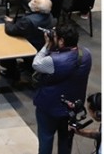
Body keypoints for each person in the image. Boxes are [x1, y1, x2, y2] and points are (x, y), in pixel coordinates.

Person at [32, 22, 93, 154]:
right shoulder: (86, 54)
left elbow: (36, 64)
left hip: (49, 107)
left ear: (61, 41)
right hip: (72, 106)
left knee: (46, 138)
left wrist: (47, 45)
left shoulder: (53, 61)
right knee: (66, 139)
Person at [0, 0, 54, 80]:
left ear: (37, 9)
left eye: (34, 1)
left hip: (31, 46)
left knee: (7, 44)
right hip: (42, 45)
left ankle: (11, 72)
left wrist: (9, 22)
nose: (32, 0)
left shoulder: (28, 21)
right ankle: (27, 66)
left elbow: (11, 30)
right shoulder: (49, 15)